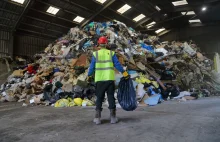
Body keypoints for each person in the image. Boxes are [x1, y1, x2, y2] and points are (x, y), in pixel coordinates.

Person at [88, 36, 129, 125]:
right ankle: (113, 118)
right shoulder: (111, 53)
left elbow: (91, 67)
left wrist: (88, 75)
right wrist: (124, 73)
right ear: (106, 44)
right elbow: (117, 65)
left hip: (99, 79)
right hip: (109, 79)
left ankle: (97, 118)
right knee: (110, 97)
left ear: (99, 44)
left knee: (99, 97)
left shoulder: (96, 54)